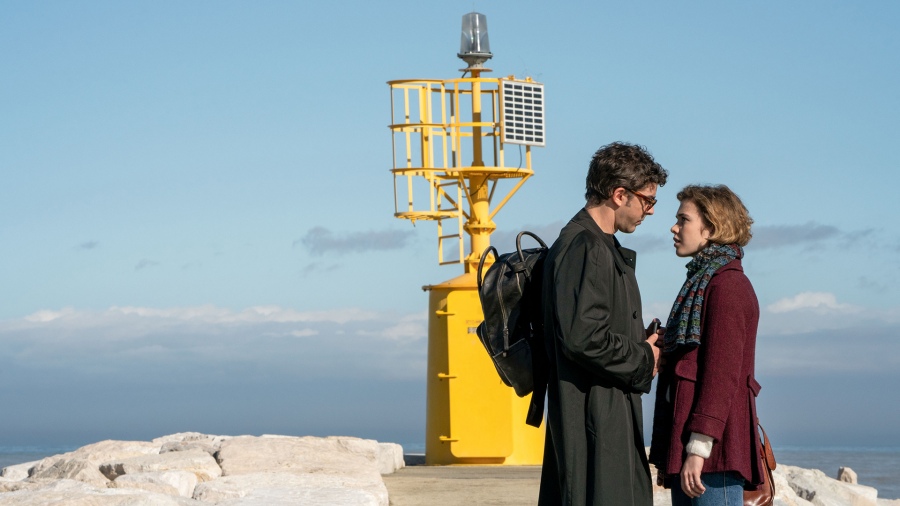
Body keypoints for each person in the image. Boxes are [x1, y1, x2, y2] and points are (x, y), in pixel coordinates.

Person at [538, 142, 668, 506]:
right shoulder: (585, 245)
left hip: (602, 408)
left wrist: (641, 341)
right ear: (619, 194)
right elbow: (583, 337)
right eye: (647, 200)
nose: (651, 210)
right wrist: (645, 356)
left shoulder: (598, 244)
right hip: (594, 414)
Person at [648, 184, 766, 506]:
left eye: (683, 220)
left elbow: (721, 376)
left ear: (710, 228)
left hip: (713, 457)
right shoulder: (704, 281)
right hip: (698, 451)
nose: (674, 227)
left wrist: (698, 450)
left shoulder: (727, 286)